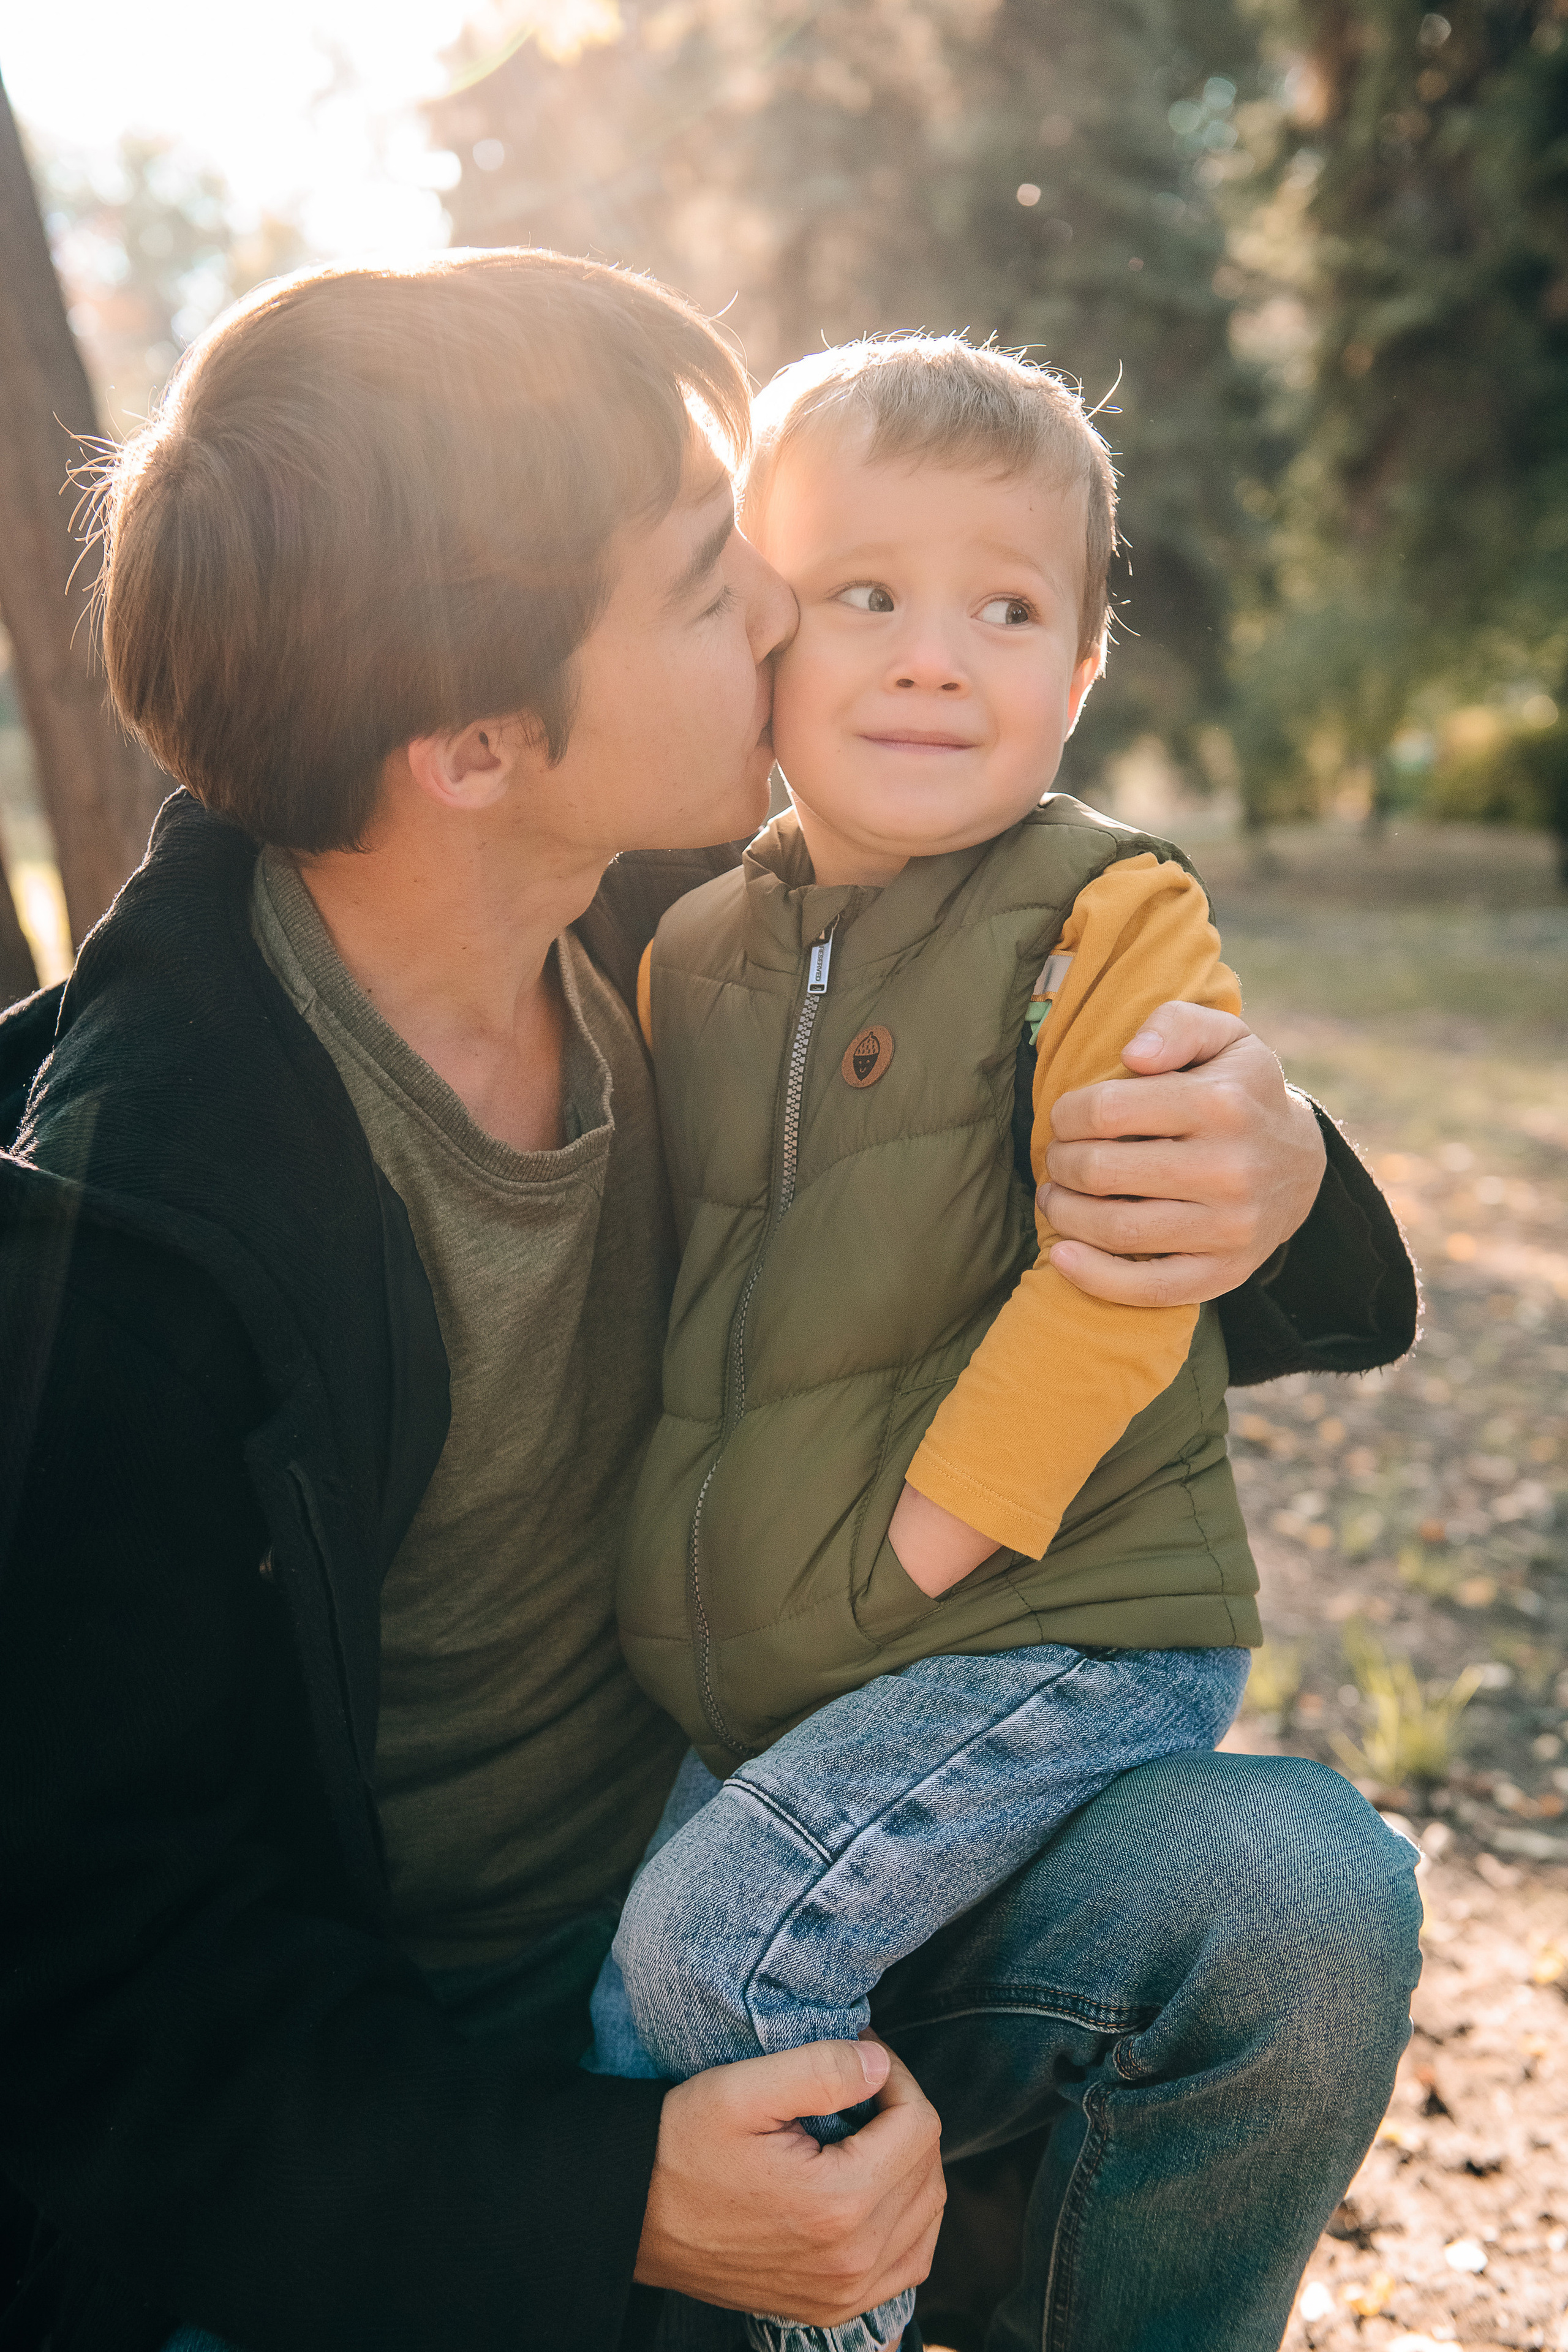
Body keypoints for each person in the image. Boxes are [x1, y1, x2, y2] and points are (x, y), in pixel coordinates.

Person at [0, 251, 1417, 2352]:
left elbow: (1026, 1078)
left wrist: (1272, 1165)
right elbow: (103, 2028)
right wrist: (613, 2200)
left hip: (783, 1846)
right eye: (701, 580)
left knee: (1289, 1893)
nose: (782, 608)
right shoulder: (123, 1236)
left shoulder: (692, 910)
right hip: (401, 2104)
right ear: (476, 746)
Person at [583, 334, 1409, 2352]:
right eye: (866, 594)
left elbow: (1127, 1276)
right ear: (761, 630)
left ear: (1085, 667)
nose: (934, 660)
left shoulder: (1103, 916)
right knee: (626, 2022)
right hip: (798, 1668)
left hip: (1035, 1622)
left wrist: (924, 1542)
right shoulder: (692, 948)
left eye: (1008, 610)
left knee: (717, 1954)